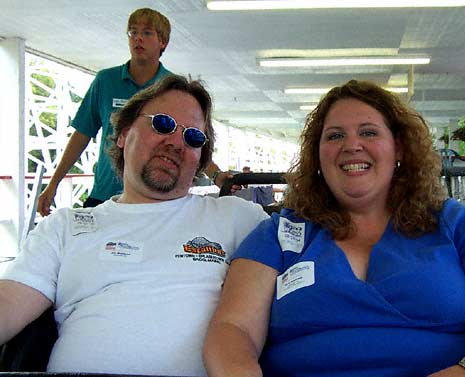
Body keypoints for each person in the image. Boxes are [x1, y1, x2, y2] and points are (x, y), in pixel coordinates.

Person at [203, 80, 465, 377]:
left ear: (398, 146)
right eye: (335, 135)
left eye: (368, 132)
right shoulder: (278, 234)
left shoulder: (451, 223)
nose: (351, 145)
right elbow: (233, 327)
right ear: (318, 155)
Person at [0, 75, 268, 376]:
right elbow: (8, 303)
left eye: (193, 137)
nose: (176, 143)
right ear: (123, 134)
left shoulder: (236, 217)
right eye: (163, 124)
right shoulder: (65, 227)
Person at [37, 8, 230, 217]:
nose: (138, 38)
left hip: (156, 200)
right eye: (133, 32)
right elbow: (82, 134)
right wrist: (53, 183)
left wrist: (216, 175)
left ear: (162, 41)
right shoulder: (105, 81)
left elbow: (189, 139)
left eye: (147, 33)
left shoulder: (173, 91)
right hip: (105, 196)